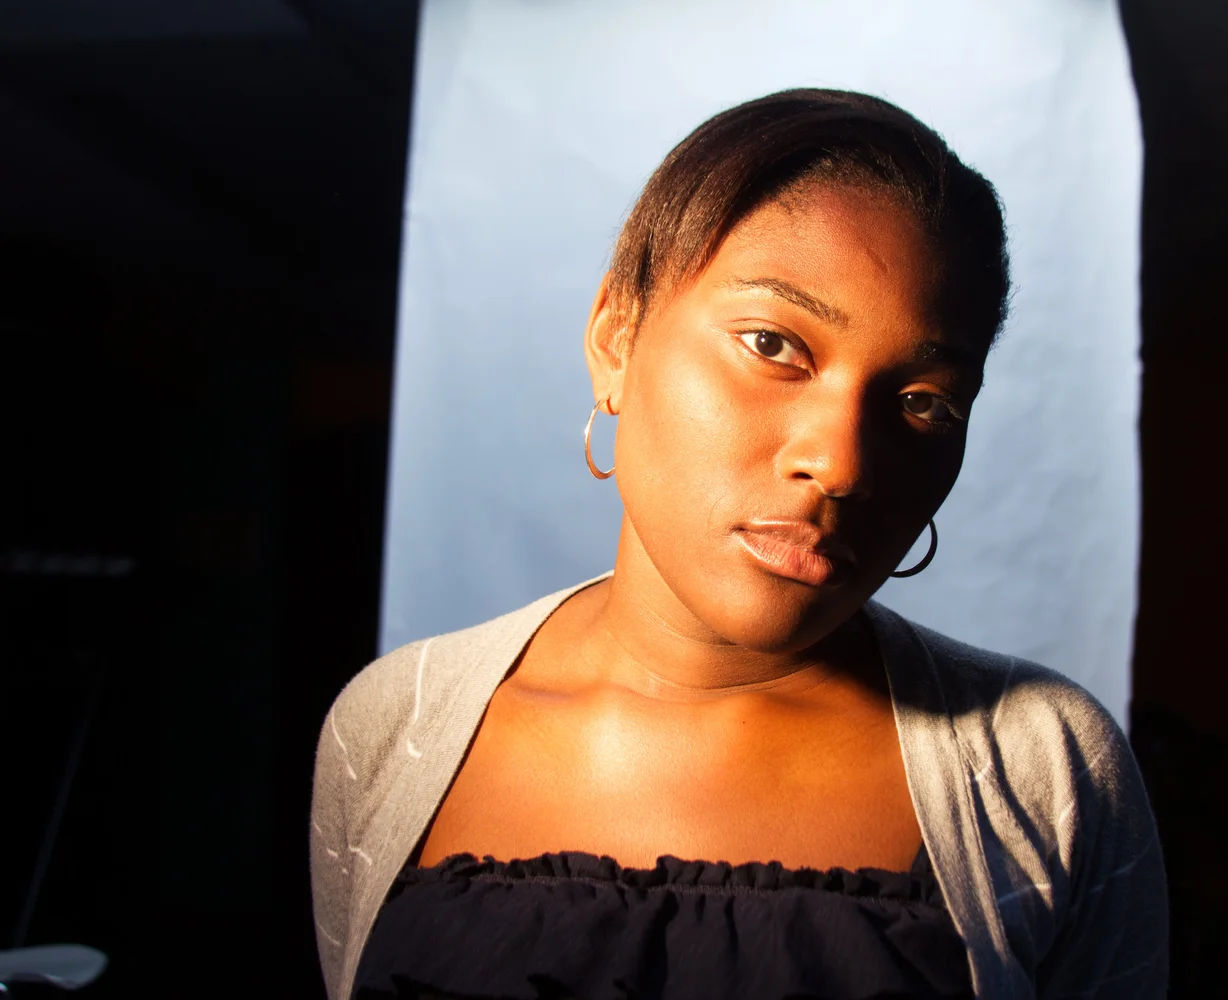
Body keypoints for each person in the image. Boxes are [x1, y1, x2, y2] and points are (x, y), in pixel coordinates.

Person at [310, 88, 1167, 1000]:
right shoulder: (392, 731)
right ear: (615, 338)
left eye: (924, 403)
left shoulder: (1044, 769)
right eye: (773, 343)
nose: (841, 464)